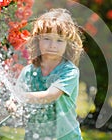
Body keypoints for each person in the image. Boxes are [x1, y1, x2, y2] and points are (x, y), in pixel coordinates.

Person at [6, 8, 83, 140]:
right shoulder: (28, 72)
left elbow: (50, 95)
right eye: (47, 39)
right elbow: (16, 96)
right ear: (37, 40)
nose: (53, 45)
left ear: (67, 44)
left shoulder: (69, 71)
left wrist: (21, 97)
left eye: (60, 40)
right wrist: (12, 103)